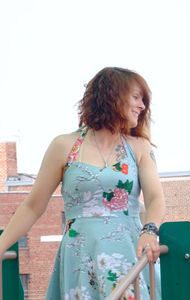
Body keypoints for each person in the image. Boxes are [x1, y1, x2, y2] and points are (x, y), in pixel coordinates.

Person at [0, 67, 166, 299]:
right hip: (80, 256)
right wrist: (1, 245)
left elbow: (156, 198)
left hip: (129, 252)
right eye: (136, 97)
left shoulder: (139, 147)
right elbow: (32, 206)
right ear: (112, 95)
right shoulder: (64, 145)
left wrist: (150, 230)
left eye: (143, 100)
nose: (142, 105)